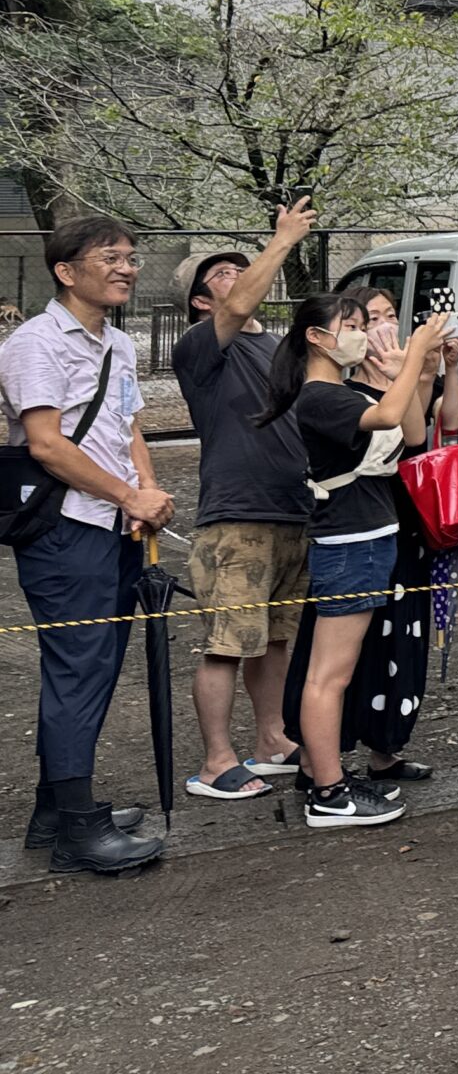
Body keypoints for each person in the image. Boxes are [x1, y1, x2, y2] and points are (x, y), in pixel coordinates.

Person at [0, 215, 168, 874]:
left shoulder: (117, 345)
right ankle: (75, 827)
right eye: (111, 257)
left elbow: (128, 428)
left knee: (94, 667)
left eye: (130, 256)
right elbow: (44, 443)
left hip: (116, 524)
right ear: (67, 271)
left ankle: (55, 810)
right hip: (66, 529)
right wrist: (128, 496)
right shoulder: (35, 343)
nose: (127, 267)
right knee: (77, 670)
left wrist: (147, 493)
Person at [269, 291, 446, 827]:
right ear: (316, 338)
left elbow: (411, 432)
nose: (361, 334)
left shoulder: (342, 390)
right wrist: (415, 351)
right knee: (329, 676)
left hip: (368, 539)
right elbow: (389, 414)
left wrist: (406, 371)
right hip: (350, 543)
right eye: (350, 325)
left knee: (334, 673)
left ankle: (330, 783)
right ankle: (328, 791)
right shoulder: (321, 395)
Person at [172, 201, 315, 803]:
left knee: (275, 638)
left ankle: (273, 740)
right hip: (236, 517)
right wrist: (280, 241)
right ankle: (215, 760)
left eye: (241, 265)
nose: (238, 275)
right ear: (203, 302)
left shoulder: (278, 346)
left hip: (293, 511)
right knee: (228, 643)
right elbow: (238, 306)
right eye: (222, 273)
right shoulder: (202, 347)